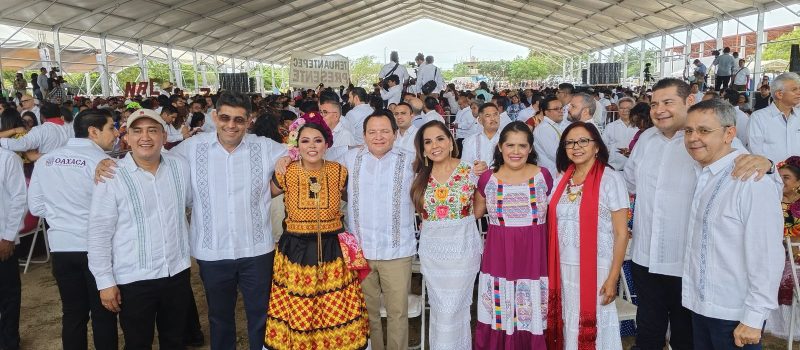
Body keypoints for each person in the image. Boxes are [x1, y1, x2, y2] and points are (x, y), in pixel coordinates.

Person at [96, 91, 287, 350]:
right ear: (214, 117)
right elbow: (151, 155)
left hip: (256, 250)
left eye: (239, 120)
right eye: (225, 118)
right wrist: (108, 162)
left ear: (249, 120)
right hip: (212, 252)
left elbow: (303, 149)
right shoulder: (191, 148)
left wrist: (287, 157)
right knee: (219, 318)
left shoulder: (264, 147)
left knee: (261, 316)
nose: (231, 125)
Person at [623, 78, 772, 350]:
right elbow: (630, 183)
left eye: (668, 102)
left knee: (687, 337)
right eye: (654, 104)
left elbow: (748, 171)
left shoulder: (708, 141)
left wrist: (767, 163)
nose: (659, 110)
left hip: (687, 265)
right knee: (648, 331)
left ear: (689, 101)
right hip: (645, 257)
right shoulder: (645, 140)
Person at [681, 99, 783, 348]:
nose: (693, 138)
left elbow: (767, 254)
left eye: (704, 130)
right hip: (701, 306)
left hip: (735, 313)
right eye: (688, 131)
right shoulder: (702, 174)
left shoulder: (751, 180)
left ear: (729, 134)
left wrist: (755, 316)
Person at [87, 108, 192, 350]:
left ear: (164, 136)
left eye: (152, 130)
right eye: (137, 131)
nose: (145, 137)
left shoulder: (180, 167)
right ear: (127, 137)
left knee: (175, 340)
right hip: (134, 278)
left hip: (176, 272)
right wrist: (104, 281)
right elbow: (99, 232)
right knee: (137, 343)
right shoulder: (112, 175)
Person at [264, 113, 369, 349]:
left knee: (334, 308)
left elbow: (356, 199)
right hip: (296, 251)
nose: (312, 146)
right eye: (305, 141)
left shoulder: (339, 171)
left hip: (333, 251)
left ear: (327, 144)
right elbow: (261, 197)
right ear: (297, 145)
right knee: (301, 309)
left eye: (318, 140)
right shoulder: (286, 172)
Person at [28, 109, 119, 350]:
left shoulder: (45, 160)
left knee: (72, 313)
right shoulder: (103, 164)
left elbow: (36, 207)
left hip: (61, 247)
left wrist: (61, 215)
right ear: (93, 131)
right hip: (96, 249)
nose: (116, 133)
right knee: (104, 313)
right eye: (111, 127)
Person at [546, 121, 629, 349]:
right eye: (570, 142)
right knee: (567, 323)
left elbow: (621, 233)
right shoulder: (561, 178)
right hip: (562, 267)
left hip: (597, 269)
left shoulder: (611, 179)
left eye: (583, 141)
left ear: (597, 146)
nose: (576, 147)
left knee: (595, 326)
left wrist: (612, 278)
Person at [474, 121, 553, 349]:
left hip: (534, 258)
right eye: (510, 145)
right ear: (500, 147)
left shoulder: (544, 177)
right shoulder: (487, 179)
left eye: (522, 146)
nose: (516, 151)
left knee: (533, 308)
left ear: (530, 148)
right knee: (501, 309)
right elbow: (474, 213)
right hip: (499, 257)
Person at [343, 110, 416, 350]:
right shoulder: (349, 158)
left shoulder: (411, 160)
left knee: (398, 313)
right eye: (372, 132)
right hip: (360, 252)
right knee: (366, 313)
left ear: (395, 133)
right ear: (363, 135)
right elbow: (315, 158)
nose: (378, 137)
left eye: (385, 131)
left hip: (397, 251)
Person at [410, 121, 483, 349]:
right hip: (433, 255)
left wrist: (457, 223)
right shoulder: (419, 176)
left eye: (440, 139)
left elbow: (479, 209)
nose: (435, 145)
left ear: (451, 142)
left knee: (455, 309)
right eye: (428, 142)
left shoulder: (471, 171)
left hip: (462, 252)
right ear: (423, 149)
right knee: (440, 309)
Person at [765, 156, 800, 339]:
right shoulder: (771, 202)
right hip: (777, 256)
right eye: (779, 177)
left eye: (786, 177)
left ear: (798, 182)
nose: (781, 181)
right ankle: (783, 326)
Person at [0, 147, 26, 350]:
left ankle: (9, 342)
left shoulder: (8, 159)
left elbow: (20, 198)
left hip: (2, 240)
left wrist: (8, 237)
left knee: (7, 295)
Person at [747, 72, 800, 164]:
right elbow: (756, 154)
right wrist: (773, 169)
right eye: (794, 89)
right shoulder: (758, 118)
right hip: (770, 172)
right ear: (779, 94)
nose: (799, 92)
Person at [534, 96, 565, 176]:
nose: (561, 111)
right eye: (556, 109)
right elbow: (555, 154)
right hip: (551, 174)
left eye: (561, 108)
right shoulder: (544, 129)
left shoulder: (554, 125)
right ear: (546, 112)